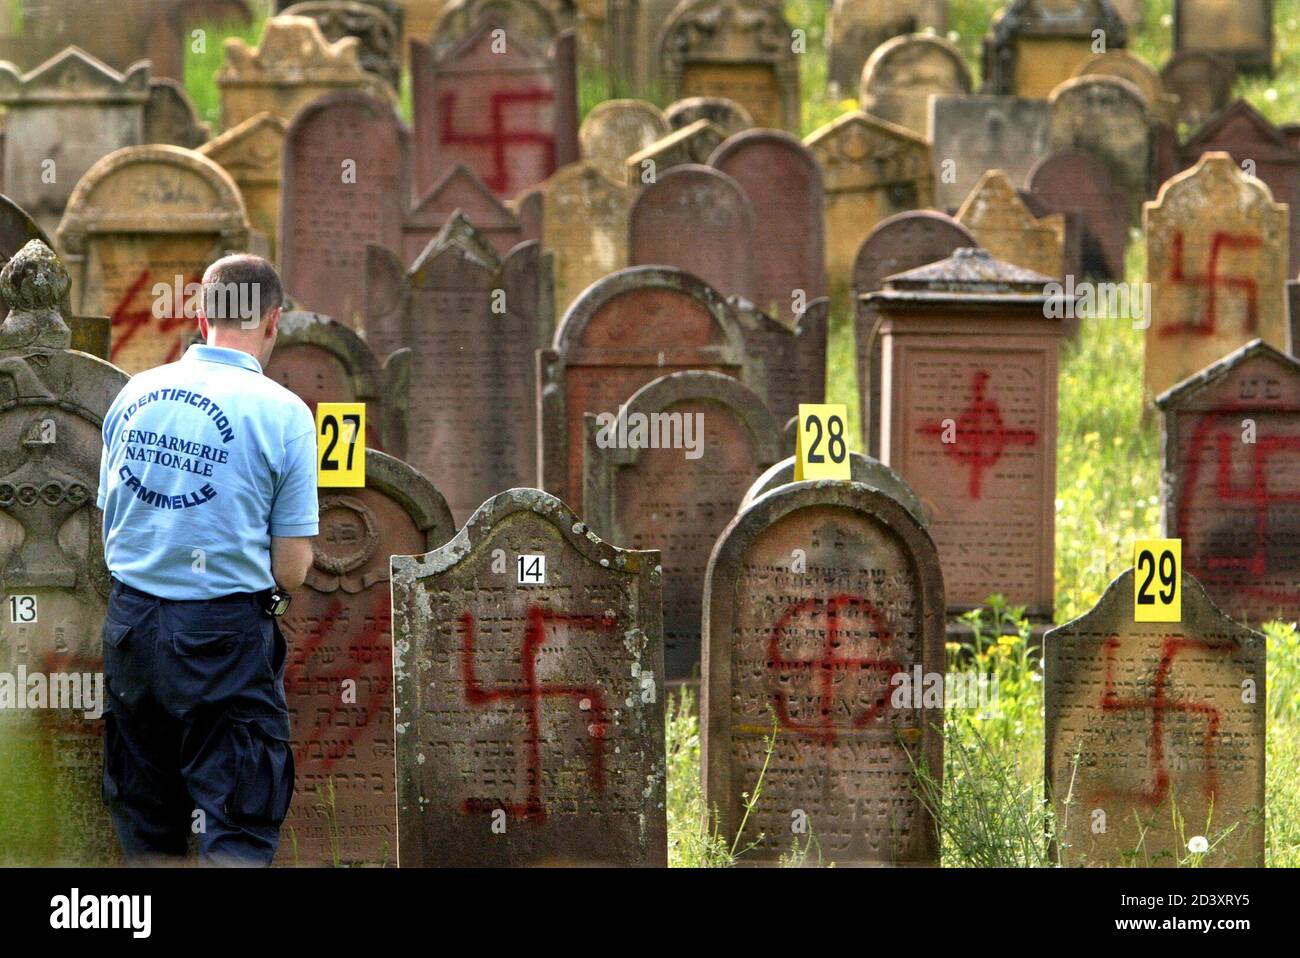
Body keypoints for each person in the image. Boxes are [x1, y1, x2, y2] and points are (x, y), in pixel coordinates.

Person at [96, 254, 318, 866]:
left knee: (144, 820)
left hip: (132, 629)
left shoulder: (133, 394)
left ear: (200, 317)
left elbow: (111, 518)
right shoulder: (285, 414)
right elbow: (292, 569)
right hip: (223, 639)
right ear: (273, 321)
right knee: (238, 821)